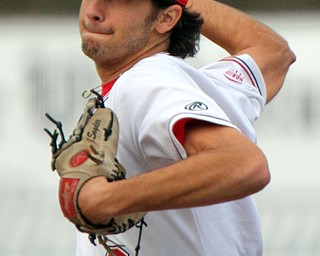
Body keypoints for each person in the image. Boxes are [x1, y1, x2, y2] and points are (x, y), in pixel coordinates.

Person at [74, 0, 296, 255]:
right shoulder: (199, 88)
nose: (94, 11)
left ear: (167, 18)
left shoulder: (144, 84)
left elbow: (244, 163)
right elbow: (273, 53)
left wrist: (107, 199)